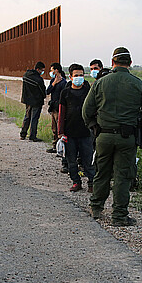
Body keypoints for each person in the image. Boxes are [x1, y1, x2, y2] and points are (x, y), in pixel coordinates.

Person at [83, 47, 142, 226]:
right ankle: (119, 216)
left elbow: (86, 111)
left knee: (101, 173)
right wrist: (139, 128)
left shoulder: (100, 83)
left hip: (103, 136)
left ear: (112, 62)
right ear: (130, 63)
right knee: (123, 176)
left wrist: (95, 127)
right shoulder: (138, 84)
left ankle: (96, 208)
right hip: (126, 138)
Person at [59, 63, 95, 192]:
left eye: (81, 75)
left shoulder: (89, 92)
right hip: (70, 133)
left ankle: (92, 183)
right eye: (76, 75)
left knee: (88, 161)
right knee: (71, 161)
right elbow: (61, 113)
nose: (79, 78)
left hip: (86, 133)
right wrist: (60, 132)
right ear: (70, 76)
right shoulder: (65, 93)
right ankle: (76, 182)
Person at [20, 61, 46, 142]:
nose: (42, 72)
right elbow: (43, 92)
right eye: (42, 70)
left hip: (27, 100)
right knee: (34, 119)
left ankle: (23, 134)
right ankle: (32, 136)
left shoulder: (26, 75)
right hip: (37, 101)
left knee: (27, 117)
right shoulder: (39, 80)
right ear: (38, 69)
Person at [45, 62, 66, 152]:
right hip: (53, 107)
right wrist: (54, 83)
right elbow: (47, 91)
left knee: (59, 128)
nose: (51, 72)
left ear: (56, 70)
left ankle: (60, 147)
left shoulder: (63, 82)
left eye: (52, 70)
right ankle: (55, 145)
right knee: (54, 128)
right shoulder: (52, 81)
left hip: (59, 108)